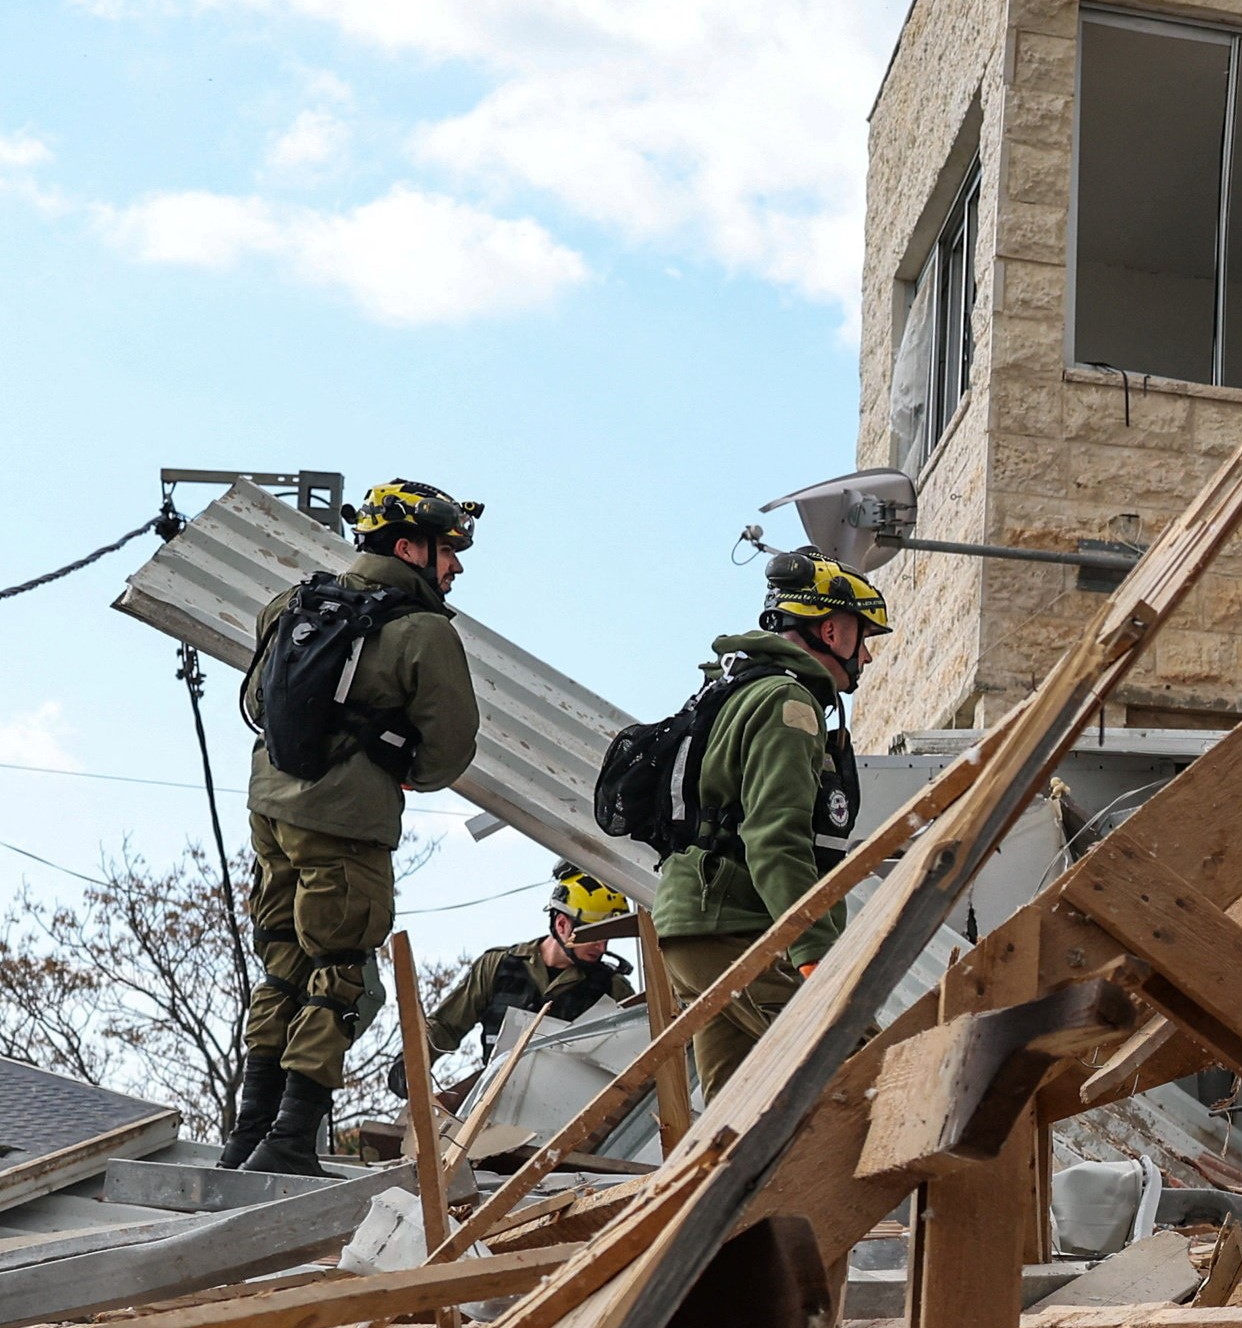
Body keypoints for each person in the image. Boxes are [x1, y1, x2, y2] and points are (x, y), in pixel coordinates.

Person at [221, 480, 481, 1175]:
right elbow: (450, 749)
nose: (454, 566)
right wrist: (397, 767)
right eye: (447, 550)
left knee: (281, 966)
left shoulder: (291, 604)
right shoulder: (425, 633)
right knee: (339, 973)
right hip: (348, 823)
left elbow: (253, 702)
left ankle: (246, 1134)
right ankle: (291, 1138)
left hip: (270, 810)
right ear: (408, 548)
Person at [650, 552, 887, 1099]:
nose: (867, 656)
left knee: (737, 1115)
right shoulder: (789, 703)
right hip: (736, 929)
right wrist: (816, 955)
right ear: (831, 629)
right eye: (862, 636)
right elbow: (775, 838)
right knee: (866, 1075)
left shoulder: (738, 690)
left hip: (694, 931)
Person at [424, 866, 641, 1062]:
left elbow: (639, 1048)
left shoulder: (613, 988)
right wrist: (411, 1065)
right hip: (497, 1100)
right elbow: (445, 1026)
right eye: (594, 937)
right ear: (562, 924)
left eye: (607, 939)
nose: (601, 949)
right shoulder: (497, 966)